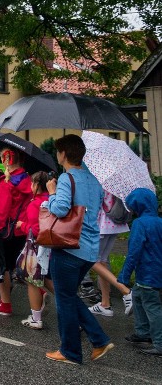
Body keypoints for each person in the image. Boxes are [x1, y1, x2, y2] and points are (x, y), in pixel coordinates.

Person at [44, 134, 112, 364]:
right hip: (89, 249)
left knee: (64, 299)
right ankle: (98, 339)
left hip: (69, 247)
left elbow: (61, 209)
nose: (57, 155)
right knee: (68, 295)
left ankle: (71, 351)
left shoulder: (66, 178)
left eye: (58, 152)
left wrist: (51, 193)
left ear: (63, 154)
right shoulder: (93, 180)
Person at [0, 147, 33, 317]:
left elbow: (1, 214)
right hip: (23, 229)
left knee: (4, 267)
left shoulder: (6, 182)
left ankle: (5, 303)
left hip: (6, 231)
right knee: (23, 266)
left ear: (7, 159)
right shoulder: (28, 179)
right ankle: (40, 296)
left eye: (2, 158)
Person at [117, 187, 162, 357]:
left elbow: (134, 252)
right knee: (137, 297)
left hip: (147, 273)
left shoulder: (139, 224)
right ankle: (143, 332)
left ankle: (158, 342)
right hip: (157, 271)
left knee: (152, 306)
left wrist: (124, 275)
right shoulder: (159, 222)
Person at [17, 171, 55, 330]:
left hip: (38, 247)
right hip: (54, 246)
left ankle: (36, 318)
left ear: (37, 185)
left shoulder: (35, 204)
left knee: (32, 280)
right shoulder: (52, 200)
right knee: (51, 281)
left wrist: (22, 225)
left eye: (32, 183)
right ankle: (77, 312)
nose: (30, 186)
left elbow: (36, 229)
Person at [86, 190, 134, 317]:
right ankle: (105, 304)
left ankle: (126, 292)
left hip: (101, 222)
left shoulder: (100, 178)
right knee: (102, 261)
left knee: (90, 260)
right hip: (114, 222)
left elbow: (93, 201)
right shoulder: (116, 180)